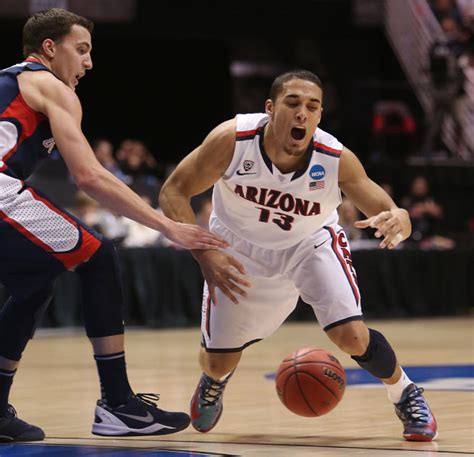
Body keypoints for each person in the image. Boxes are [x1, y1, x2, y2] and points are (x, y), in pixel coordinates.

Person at [159, 70, 438, 442]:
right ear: (271, 108)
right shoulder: (233, 139)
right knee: (218, 360)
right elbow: (173, 192)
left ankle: (405, 393)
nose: (302, 114)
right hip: (237, 246)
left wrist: (399, 218)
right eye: (292, 103)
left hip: (309, 243)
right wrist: (204, 254)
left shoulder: (335, 157)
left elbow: (389, 209)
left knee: (352, 336)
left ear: (320, 115)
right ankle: (214, 381)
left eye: (312, 106)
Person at [0, 8, 227, 442]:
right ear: (50, 48)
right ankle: (119, 404)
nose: (88, 62)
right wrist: (166, 225)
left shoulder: (10, 82)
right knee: (98, 256)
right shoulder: (50, 84)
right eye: (81, 50)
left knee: (36, 281)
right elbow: (89, 177)